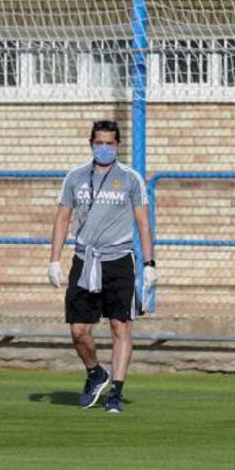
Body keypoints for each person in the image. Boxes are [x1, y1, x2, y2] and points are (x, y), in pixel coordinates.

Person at [48, 120, 156, 414]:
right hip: (85, 260)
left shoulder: (131, 179)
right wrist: (54, 260)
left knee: (120, 326)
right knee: (79, 330)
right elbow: (62, 219)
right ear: (91, 144)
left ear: (118, 146)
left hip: (119, 260)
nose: (104, 148)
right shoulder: (75, 178)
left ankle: (116, 393)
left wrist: (149, 264)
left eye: (110, 143)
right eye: (99, 143)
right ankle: (95, 372)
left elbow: (143, 224)